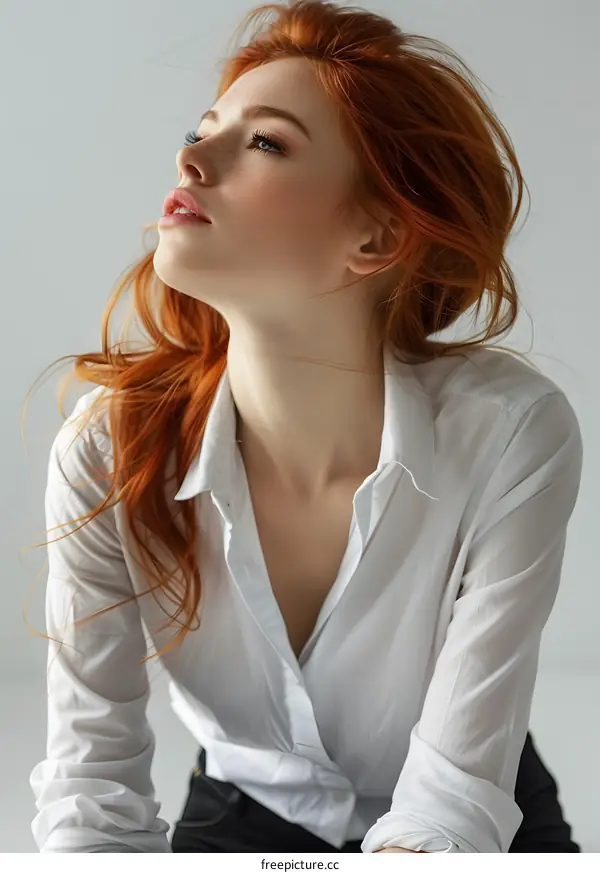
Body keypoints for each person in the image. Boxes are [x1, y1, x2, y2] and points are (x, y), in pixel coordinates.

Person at [27, 0, 583, 854]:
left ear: (379, 235)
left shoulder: (511, 433)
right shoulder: (108, 451)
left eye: (265, 142)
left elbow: (452, 798)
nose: (189, 156)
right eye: (203, 127)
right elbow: (90, 793)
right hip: (239, 812)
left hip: (469, 810)